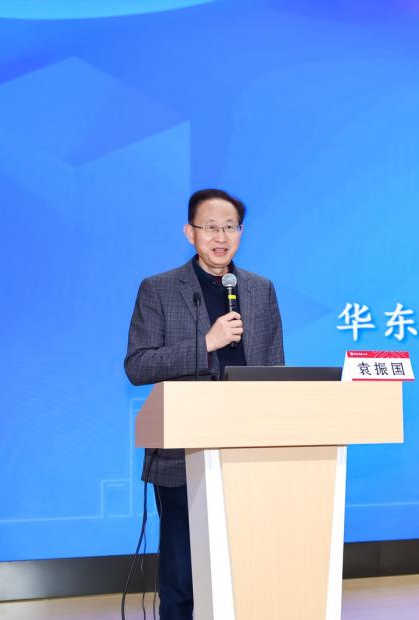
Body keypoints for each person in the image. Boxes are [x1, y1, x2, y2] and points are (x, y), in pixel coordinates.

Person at [124, 188, 284, 619]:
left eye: (230, 227)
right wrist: (206, 344)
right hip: (183, 451)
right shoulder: (159, 289)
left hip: (247, 450)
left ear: (241, 233)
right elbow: (138, 365)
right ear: (189, 233)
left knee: (244, 566)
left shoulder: (261, 290)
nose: (221, 237)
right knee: (183, 574)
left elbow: (274, 369)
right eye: (210, 227)